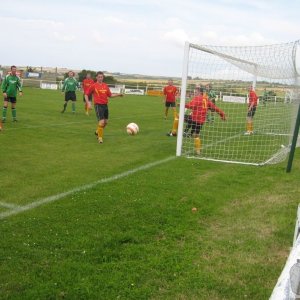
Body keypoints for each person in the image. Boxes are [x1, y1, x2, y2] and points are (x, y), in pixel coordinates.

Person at [184, 87, 226, 155]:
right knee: (196, 135)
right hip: (201, 120)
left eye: (196, 92)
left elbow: (191, 106)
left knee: (180, 117)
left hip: (195, 118)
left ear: (200, 92)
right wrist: (222, 114)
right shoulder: (206, 99)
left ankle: (180, 132)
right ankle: (198, 151)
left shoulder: (197, 98)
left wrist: (183, 105)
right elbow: (215, 108)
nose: (195, 93)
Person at [85, 71, 123, 144]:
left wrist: (118, 95)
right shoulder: (93, 85)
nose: (100, 78)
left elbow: (110, 95)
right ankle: (100, 138)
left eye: (101, 77)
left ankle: (97, 132)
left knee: (105, 122)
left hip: (105, 105)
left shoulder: (105, 85)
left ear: (103, 77)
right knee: (101, 122)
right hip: (98, 105)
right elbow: (86, 94)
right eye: (99, 77)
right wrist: (88, 103)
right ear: (96, 77)